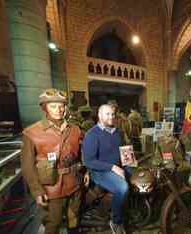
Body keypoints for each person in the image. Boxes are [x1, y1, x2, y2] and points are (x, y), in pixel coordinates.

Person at [21, 88, 87, 234]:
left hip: (75, 182)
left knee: (74, 219)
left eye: (61, 105)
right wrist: (37, 190)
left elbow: (81, 153)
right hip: (51, 187)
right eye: (53, 106)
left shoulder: (75, 129)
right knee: (53, 223)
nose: (58, 109)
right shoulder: (32, 133)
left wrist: (86, 171)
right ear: (45, 108)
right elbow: (27, 166)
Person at [82, 104, 130, 234]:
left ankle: (130, 209)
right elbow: (88, 161)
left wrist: (129, 160)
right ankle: (116, 221)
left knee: (138, 177)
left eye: (113, 114)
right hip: (98, 171)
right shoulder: (92, 134)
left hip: (116, 167)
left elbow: (121, 151)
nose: (111, 117)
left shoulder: (117, 132)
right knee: (122, 187)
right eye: (107, 114)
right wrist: (113, 167)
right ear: (99, 115)